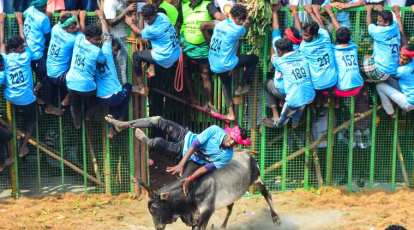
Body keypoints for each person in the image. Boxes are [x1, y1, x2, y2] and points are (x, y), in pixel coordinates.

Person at [104, 115, 251, 193]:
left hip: (184, 154)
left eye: (235, 143)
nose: (232, 143)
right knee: (158, 120)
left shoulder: (227, 156)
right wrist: (180, 165)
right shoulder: (214, 130)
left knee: (156, 143)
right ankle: (123, 124)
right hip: (186, 137)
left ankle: (146, 141)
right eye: (232, 139)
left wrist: (189, 178)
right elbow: (194, 145)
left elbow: (206, 168)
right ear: (230, 134)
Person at [208, 4, 258, 121]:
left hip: (214, 63)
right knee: (254, 59)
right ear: (235, 18)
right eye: (241, 20)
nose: (242, 22)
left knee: (226, 84)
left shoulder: (220, 24)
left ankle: (231, 114)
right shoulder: (237, 30)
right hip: (225, 63)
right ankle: (242, 85)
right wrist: (250, 18)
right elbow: (247, 25)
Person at [126, 4, 180, 96]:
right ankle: (152, 68)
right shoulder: (162, 16)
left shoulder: (153, 30)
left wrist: (130, 23)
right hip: (176, 52)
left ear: (153, 15)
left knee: (136, 56)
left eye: (147, 19)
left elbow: (140, 33)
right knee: (153, 43)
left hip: (165, 57)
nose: (147, 21)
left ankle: (141, 87)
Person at [263, 4, 303, 125]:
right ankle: (293, 117)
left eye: (285, 34)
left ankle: (276, 115)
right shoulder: (300, 48)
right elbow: (299, 32)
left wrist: (274, 12)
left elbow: (275, 29)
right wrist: (294, 12)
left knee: (267, 83)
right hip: (298, 91)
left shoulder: (278, 49)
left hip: (285, 90)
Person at [65, 14, 106, 129]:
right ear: (88, 38)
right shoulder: (96, 51)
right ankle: (88, 115)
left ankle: (77, 122)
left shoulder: (78, 39)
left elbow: (80, 31)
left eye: (99, 39)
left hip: (71, 82)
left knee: (75, 103)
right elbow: (103, 61)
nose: (98, 41)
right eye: (96, 39)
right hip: (86, 87)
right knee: (98, 99)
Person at [263, 38, 315, 128]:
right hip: (310, 96)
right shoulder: (302, 56)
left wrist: (274, 49)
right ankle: (295, 122)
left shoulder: (280, 62)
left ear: (279, 51)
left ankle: (277, 121)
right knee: (300, 105)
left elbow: (273, 55)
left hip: (293, 99)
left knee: (267, 83)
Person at [24, 0, 64, 116]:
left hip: (27, 50)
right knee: (47, 80)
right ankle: (48, 107)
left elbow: (25, 14)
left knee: (39, 76)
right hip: (36, 54)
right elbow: (48, 34)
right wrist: (48, 17)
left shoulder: (30, 10)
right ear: (42, 7)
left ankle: (36, 90)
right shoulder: (43, 18)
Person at [95, 10, 131, 139]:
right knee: (128, 87)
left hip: (100, 98)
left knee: (115, 103)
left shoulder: (92, 56)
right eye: (115, 50)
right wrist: (101, 17)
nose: (115, 53)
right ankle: (120, 121)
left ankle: (112, 129)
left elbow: (105, 36)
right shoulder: (108, 54)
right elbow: (107, 35)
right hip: (112, 97)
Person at [180, 0, 221, 109]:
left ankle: (209, 102)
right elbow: (180, 23)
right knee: (185, 71)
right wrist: (180, 39)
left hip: (204, 47)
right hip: (187, 47)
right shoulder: (184, 5)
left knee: (205, 74)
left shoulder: (208, 4)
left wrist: (229, 19)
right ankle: (193, 97)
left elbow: (218, 17)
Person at [0, 36, 37, 157]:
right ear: (15, 49)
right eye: (21, 47)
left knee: (13, 120)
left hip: (11, 97)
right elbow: (26, 43)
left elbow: (2, 43)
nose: (23, 48)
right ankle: (23, 147)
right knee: (30, 124)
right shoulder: (26, 56)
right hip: (27, 100)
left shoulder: (5, 58)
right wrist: (21, 25)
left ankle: (14, 134)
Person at [46, 12, 80, 107]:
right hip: (59, 77)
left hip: (49, 71)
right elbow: (84, 32)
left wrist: (73, 17)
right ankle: (67, 100)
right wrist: (78, 17)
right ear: (65, 27)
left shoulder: (56, 28)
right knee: (82, 83)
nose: (75, 29)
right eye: (72, 28)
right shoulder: (73, 39)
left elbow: (62, 16)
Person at [103, 0, 136, 84]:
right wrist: (126, 10)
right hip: (116, 38)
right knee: (120, 66)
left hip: (124, 37)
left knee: (124, 66)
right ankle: (121, 89)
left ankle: (124, 88)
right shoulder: (109, 2)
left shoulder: (121, 1)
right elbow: (111, 22)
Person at [363, 7, 400, 82]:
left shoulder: (379, 31)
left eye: (379, 21)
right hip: (394, 69)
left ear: (386, 23)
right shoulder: (395, 26)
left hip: (382, 71)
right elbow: (394, 20)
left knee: (366, 58)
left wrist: (369, 10)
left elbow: (369, 25)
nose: (377, 23)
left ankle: (369, 81)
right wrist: (396, 13)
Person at [376, 45, 414, 117]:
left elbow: (387, 75)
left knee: (379, 86)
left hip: (409, 103)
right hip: (408, 95)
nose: (401, 61)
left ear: (410, 59)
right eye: (400, 57)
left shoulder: (402, 70)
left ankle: (391, 113)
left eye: (405, 59)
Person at [299, 21, 338, 92]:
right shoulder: (325, 35)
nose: (303, 37)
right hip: (333, 80)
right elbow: (320, 27)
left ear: (314, 35)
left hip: (318, 85)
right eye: (303, 34)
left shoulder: (303, 47)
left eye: (306, 35)